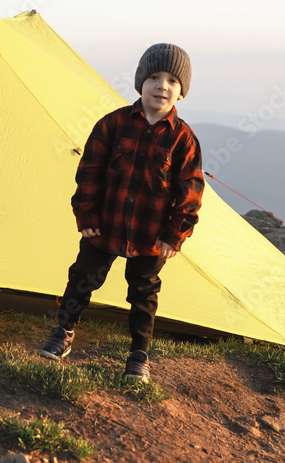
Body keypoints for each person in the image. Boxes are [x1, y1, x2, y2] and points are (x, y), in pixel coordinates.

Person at [36, 43, 204, 382]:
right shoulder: (112, 125)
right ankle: (63, 332)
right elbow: (89, 173)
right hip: (104, 227)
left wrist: (175, 235)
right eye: (154, 77)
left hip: (151, 235)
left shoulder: (184, 140)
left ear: (181, 93)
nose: (162, 86)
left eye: (173, 81)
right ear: (140, 82)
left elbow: (191, 192)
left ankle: (138, 354)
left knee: (143, 294)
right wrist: (86, 217)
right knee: (82, 278)